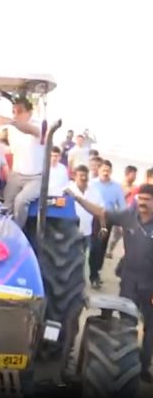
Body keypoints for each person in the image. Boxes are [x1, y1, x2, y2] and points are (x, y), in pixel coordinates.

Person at [67, 184, 153, 382]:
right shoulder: (128, 216)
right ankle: (128, 364)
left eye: (147, 200)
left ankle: (144, 366)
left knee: (150, 327)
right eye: (140, 199)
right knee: (126, 324)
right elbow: (101, 212)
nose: (142, 203)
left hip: (151, 284)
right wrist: (79, 198)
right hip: (129, 281)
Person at [0, 97, 44, 227]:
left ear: (30, 112)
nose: (15, 115)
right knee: (5, 205)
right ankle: (1, 230)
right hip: (16, 176)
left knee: (21, 200)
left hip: (35, 178)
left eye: (19, 111)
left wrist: (10, 121)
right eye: (13, 111)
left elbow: (29, 130)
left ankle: (17, 230)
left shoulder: (38, 125)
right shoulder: (11, 129)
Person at [87, 160, 126, 288]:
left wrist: (123, 222)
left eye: (108, 170)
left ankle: (96, 272)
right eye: (103, 170)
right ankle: (93, 275)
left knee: (102, 247)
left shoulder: (116, 187)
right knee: (95, 246)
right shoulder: (92, 184)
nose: (105, 172)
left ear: (111, 172)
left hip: (107, 219)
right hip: (92, 217)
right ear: (99, 170)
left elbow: (121, 205)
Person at [68, 165, 104, 256]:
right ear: (75, 176)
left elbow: (101, 210)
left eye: (86, 175)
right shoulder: (67, 190)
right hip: (70, 232)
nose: (84, 178)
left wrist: (103, 227)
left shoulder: (95, 191)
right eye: (81, 175)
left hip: (87, 232)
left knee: (84, 258)